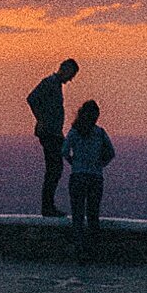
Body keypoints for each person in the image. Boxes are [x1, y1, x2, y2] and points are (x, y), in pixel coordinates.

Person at [62, 100, 115, 261]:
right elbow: (111, 153)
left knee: (78, 216)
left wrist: (75, 163)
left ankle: (79, 250)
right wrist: (100, 164)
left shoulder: (74, 132)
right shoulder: (99, 133)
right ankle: (93, 251)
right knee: (93, 215)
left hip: (78, 177)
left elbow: (64, 151)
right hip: (95, 178)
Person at [27, 58, 79, 217]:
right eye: (71, 74)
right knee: (54, 170)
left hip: (54, 133)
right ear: (64, 69)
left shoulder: (55, 84)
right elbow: (32, 98)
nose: (71, 79)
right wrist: (41, 119)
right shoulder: (49, 82)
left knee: (55, 169)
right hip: (49, 133)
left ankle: (49, 206)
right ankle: (47, 207)